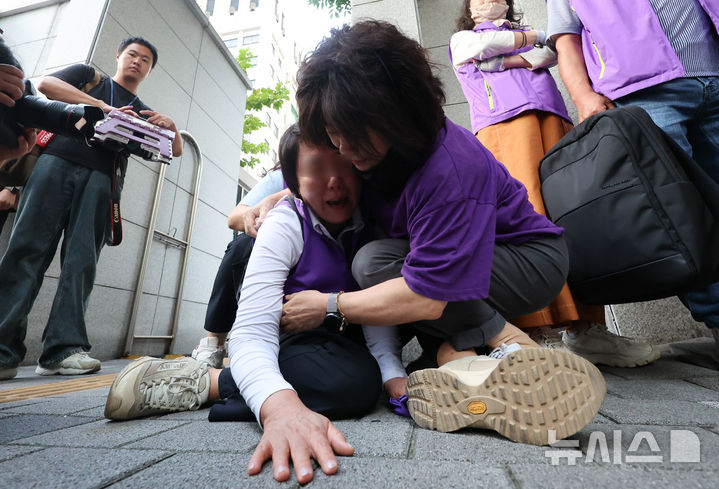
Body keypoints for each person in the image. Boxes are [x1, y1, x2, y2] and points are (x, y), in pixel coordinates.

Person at [280, 17, 604, 464]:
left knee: (374, 265)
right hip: (442, 266)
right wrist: (266, 203)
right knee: (381, 263)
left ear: (398, 109)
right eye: (334, 132)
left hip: (527, 261)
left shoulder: (450, 166)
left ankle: (509, 342)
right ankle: (457, 357)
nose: (345, 148)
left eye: (353, 133)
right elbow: (307, 172)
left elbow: (428, 294)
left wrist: (329, 305)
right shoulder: (359, 146)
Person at [104, 125, 383, 485]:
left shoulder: (377, 213)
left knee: (365, 378)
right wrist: (278, 407)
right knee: (354, 384)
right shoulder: (287, 217)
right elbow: (253, 330)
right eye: (315, 169)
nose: (334, 181)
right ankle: (208, 377)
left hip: (342, 329)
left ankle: (228, 380)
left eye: (344, 164)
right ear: (294, 180)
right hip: (294, 325)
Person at [449, 0, 660, 367]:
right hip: (504, 128)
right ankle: (532, 332)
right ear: (467, 8)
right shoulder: (463, 38)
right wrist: (531, 39)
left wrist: (504, 61)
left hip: (553, 121)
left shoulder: (518, 41)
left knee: (573, 219)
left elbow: (551, 54)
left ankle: (587, 330)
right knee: (525, 218)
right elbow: (478, 49)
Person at [0, 36, 182, 381]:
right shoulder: (89, 76)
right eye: (132, 54)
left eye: (145, 60)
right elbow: (46, 85)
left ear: (150, 70)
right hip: (54, 162)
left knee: (82, 261)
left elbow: (172, 152)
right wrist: (106, 110)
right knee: (24, 249)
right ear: (118, 56)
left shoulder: (143, 110)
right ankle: (2, 350)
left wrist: (171, 129)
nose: (137, 62)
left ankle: (63, 350)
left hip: (103, 178)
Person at [546, 0, 719, 362]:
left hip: (713, 77)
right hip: (644, 93)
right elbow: (566, 40)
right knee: (680, 220)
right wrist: (583, 96)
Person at [191, 167, 289, 368]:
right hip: (275, 248)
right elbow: (235, 217)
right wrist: (272, 203)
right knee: (241, 246)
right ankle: (213, 342)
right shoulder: (281, 179)